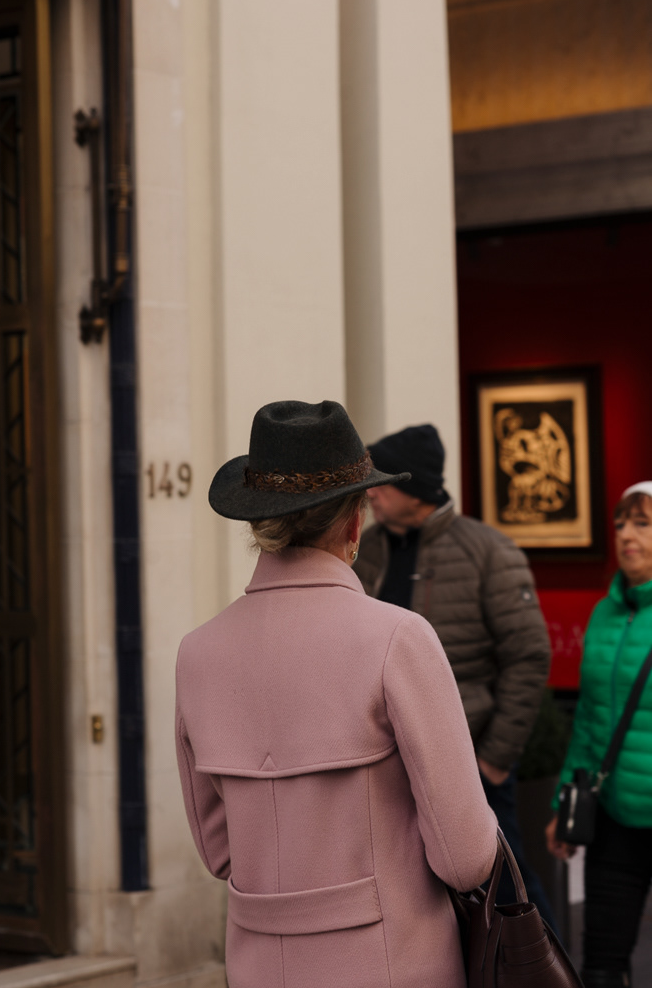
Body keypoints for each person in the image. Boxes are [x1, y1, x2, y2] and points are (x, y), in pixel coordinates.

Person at [175, 400, 498, 988]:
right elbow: (466, 858)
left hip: (256, 967)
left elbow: (218, 853)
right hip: (392, 962)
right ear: (353, 524)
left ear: (258, 525)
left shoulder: (196, 652)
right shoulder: (397, 638)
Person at [354, 423, 554, 923]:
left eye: (382, 483)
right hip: (387, 763)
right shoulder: (363, 549)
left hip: (472, 762)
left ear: (415, 488)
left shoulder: (487, 550)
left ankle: (544, 965)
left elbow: (529, 655)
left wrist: (495, 760)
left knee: (506, 895)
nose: (371, 493)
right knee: (413, 897)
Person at [546, 482, 652, 988]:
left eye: (643, 524)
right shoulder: (604, 613)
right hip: (613, 819)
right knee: (601, 965)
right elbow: (588, 720)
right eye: (620, 524)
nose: (626, 535)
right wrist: (565, 802)